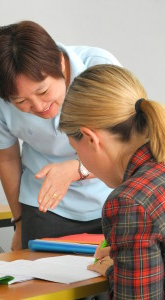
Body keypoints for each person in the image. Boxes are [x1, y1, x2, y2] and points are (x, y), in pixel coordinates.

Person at [0, 20, 121, 250]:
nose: (38, 106)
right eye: (21, 101)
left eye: (43, 91)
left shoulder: (100, 69)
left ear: (60, 66)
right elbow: (7, 157)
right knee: (38, 283)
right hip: (45, 206)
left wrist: (76, 170)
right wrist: (20, 222)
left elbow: (127, 147)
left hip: (113, 197)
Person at [59, 64, 165, 299]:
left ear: (89, 138)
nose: (80, 160)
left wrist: (112, 271)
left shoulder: (130, 202)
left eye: (76, 151)